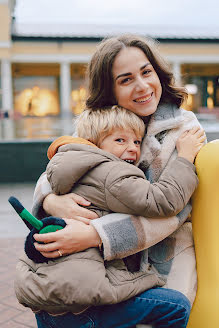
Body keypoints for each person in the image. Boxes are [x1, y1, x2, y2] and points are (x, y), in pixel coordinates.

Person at [30, 34, 205, 328]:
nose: (142, 86)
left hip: (163, 252)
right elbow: (62, 166)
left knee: (170, 309)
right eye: (126, 79)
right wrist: (50, 199)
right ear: (109, 89)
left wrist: (97, 236)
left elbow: (174, 211)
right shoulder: (101, 122)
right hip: (103, 265)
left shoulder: (183, 130)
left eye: (146, 72)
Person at [15, 105, 204, 317]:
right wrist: (185, 158)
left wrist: (48, 199)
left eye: (137, 141)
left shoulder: (69, 163)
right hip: (83, 297)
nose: (132, 148)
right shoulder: (112, 173)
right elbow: (162, 201)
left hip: (49, 288)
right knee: (176, 307)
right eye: (120, 140)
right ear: (95, 144)